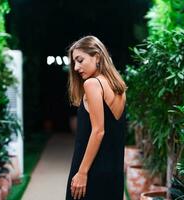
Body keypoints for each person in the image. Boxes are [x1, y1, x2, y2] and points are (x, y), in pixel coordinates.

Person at [65, 35, 127, 200]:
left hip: (91, 171)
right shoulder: (118, 85)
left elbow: (99, 131)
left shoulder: (93, 84)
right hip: (113, 173)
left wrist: (82, 172)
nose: (76, 67)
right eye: (74, 63)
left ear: (97, 57)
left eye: (80, 60)